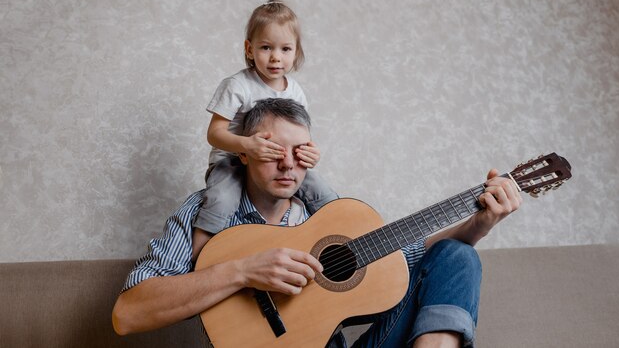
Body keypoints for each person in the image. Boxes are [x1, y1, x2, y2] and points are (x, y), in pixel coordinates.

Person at [112, 98, 522, 348]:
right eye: (274, 150)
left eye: (300, 151)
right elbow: (127, 314)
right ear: (244, 153)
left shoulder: (328, 219)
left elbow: (417, 254)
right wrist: (242, 270)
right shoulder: (208, 212)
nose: (289, 164)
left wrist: (480, 223)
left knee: (458, 255)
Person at [193, 0, 337, 260]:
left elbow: (299, 134)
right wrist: (247, 145)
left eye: (285, 49)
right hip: (233, 159)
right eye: (266, 47)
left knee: (324, 194)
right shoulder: (237, 85)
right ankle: (199, 256)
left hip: (276, 161)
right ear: (249, 49)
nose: (275, 57)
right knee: (222, 201)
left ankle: (346, 240)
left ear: (296, 52)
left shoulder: (295, 91)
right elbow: (214, 134)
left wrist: (310, 152)